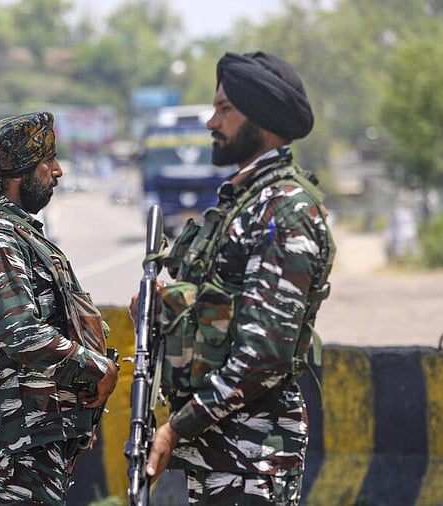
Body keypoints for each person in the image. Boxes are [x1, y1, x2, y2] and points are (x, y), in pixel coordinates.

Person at [143, 51, 336, 504]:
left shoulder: (286, 210)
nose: (212, 122)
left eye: (225, 109)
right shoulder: (244, 202)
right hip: (224, 454)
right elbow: (217, 306)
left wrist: (177, 426)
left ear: (262, 119)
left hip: (254, 457)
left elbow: (264, 354)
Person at [0, 111, 118, 505]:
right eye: (47, 162)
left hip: (35, 429)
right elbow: (19, 332)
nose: (57, 172)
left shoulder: (14, 232)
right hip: (20, 432)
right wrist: (95, 367)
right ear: (16, 176)